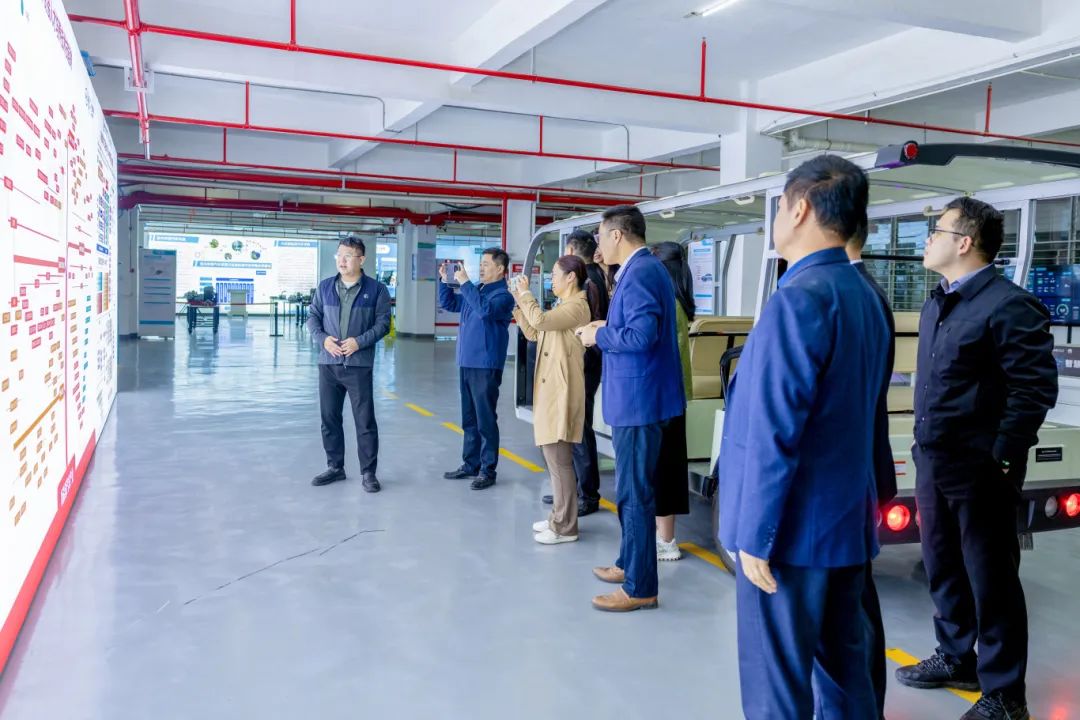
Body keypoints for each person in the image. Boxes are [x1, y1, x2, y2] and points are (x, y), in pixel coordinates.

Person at [716, 155, 888, 719]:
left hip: (790, 534)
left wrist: (755, 534)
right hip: (844, 527)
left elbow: (773, 429)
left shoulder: (798, 299)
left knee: (776, 688)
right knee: (846, 677)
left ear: (800, 209)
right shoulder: (864, 295)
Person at [895, 197, 1057, 720]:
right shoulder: (938, 302)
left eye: (936, 230)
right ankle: (957, 656)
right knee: (941, 564)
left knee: (991, 578)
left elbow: (1034, 390)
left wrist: (1002, 459)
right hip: (934, 459)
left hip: (980, 468)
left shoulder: (1009, 305)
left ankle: (1006, 695)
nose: (928, 239)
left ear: (964, 242)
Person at [577, 205, 685, 613]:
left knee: (636, 494)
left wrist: (598, 335)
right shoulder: (640, 270)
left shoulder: (641, 272)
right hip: (639, 399)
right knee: (630, 491)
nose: (599, 245)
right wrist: (604, 328)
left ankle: (640, 587)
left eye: (601, 236)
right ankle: (628, 563)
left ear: (617, 235)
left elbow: (641, 336)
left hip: (641, 402)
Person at [847, 219, 898, 720]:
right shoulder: (866, 292)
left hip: (852, 473)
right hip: (860, 468)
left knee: (856, 606)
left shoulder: (855, 295)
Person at [510, 255, 591, 544]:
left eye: (555, 274)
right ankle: (558, 517)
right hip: (552, 390)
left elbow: (541, 320)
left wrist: (526, 294)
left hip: (561, 391)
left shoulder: (576, 307)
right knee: (555, 461)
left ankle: (565, 526)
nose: (552, 280)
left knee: (560, 462)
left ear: (571, 277)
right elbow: (535, 332)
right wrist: (519, 302)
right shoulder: (563, 305)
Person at [307, 235, 392, 492]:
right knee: (329, 418)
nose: (341, 261)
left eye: (347, 256)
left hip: (358, 365)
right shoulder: (325, 287)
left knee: (364, 421)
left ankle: (368, 473)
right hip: (328, 363)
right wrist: (323, 340)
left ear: (361, 259)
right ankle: (335, 467)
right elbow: (313, 317)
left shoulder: (377, 290)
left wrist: (359, 342)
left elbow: (383, 324)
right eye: (339, 255)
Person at [541, 229, 607, 516]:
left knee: (577, 428)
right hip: (588, 359)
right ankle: (571, 489)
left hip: (584, 361)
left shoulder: (588, 282)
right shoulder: (597, 276)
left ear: (570, 251)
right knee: (574, 426)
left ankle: (586, 494)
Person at [439, 248, 515, 491]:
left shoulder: (503, 295)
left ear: (500, 269)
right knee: (469, 418)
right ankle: (470, 464)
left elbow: (485, 311)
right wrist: (445, 282)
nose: (481, 268)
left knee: (485, 419)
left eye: (486, 264)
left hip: (485, 365)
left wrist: (465, 284)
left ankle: (487, 470)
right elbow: (450, 303)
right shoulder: (477, 290)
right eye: (480, 264)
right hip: (467, 362)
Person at [649, 241, 694, 562]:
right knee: (668, 465)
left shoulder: (668, 305)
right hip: (675, 396)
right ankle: (664, 537)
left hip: (663, 397)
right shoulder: (680, 302)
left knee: (663, 468)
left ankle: (665, 541)